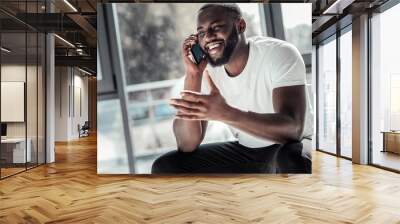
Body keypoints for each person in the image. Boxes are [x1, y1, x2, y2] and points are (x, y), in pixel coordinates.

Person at [152, 3, 313, 173]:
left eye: (216, 27)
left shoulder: (279, 54)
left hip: (294, 146)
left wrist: (226, 113)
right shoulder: (207, 71)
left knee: (290, 159)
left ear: (240, 26)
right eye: (201, 33)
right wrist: (193, 75)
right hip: (247, 153)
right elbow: (186, 144)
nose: (208, 37)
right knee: (166, 167)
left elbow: (293, 130)